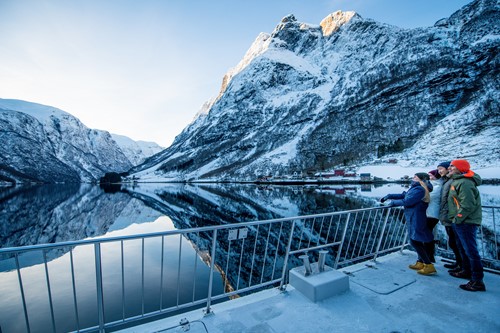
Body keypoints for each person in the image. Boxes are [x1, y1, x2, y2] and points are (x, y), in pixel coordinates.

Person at [381, 173, 435, 275]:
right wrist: (389, 196)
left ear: (421, 179)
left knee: (414, 241)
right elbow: (404, 195)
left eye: (415, 177)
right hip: (413, 216)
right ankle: (421, 262)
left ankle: (428, 265)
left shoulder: (419, 189)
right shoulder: (416, 188)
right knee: (415, 239)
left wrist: (392, 203)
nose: (412, 178)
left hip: (416, 217)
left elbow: (408, 201)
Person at [447, 159, 485, 291]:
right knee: (463, 248)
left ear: (460, 168)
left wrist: (458, 218)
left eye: (452, 166)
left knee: (471, 251)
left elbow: (468, 204)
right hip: (461, 222)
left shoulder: (464, 183)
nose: (450, 168)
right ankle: (466, 271)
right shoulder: (458, 181)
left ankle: (477, 281)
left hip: (466, 222)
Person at [437, 161, 463, 271]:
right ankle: (459, 263)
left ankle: (463, 266)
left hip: (452, 217)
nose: (439, 171)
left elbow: (456, 200)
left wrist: (456, 216)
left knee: (457, 242)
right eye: (438, 169)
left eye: (441, 168)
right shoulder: (447, 181)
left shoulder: (452, 181)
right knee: (453, 242)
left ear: (448, 169)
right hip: (448, 216)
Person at [425, 169, 442, 263]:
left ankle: (429, 257)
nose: (429, 178)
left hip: (432, 214)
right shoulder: (433, 185)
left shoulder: (438, 186)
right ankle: (429, 256)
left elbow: (427, 197)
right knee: (428, 235)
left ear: (436, 177)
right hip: (430, 213)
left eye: (431, 176)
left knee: (427, 235)